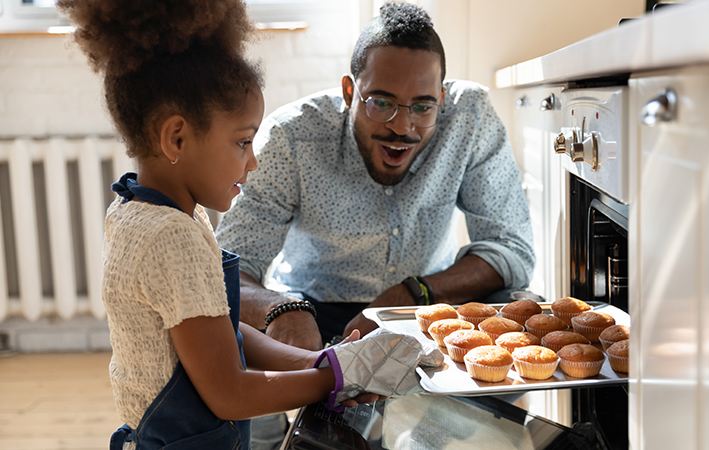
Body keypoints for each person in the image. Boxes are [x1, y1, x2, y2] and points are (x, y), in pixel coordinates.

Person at [57, 1, 439, 449]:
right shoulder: (171, 235)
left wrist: (318, 360)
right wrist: (336, 378)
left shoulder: (141, 210)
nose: (253, 161)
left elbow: (216, 328)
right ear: (176, 137)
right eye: (242, 142)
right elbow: (229, 394)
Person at [216, 1, 535, 349]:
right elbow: (227, 266)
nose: (402, 126)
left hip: (429, 302)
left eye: (423, 106)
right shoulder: (290, 137)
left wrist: (414, 292)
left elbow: (512, 249)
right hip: (311, 308)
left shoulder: (470, 117)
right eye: (381, 102)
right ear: (350, 91)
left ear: (441, 98)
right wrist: (280, 309)